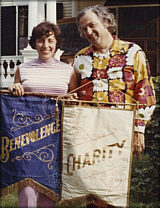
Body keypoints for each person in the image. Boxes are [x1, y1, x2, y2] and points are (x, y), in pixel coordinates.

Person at [73, 5, 156, 208]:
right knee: (92, 187)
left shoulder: (132, 52)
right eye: (84, 29)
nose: (88, 32)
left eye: (92, 25)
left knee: (114, 188)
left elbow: (145, 93)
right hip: (89, 134)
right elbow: (73, 96)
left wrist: (139, 129)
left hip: (120, 132)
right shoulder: (80, 58)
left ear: (107, 23)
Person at [8, 21, 78, 208]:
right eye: (40, 41)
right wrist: (15, 88)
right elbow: (15, 102)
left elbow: (74, 102)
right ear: (34, 43)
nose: (45, 46)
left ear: (57, 43)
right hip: (26, 136)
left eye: (50, 40)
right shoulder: (23, 69)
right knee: (27, 186)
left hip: (56, 136)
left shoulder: (69, 71)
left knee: (49, 188)